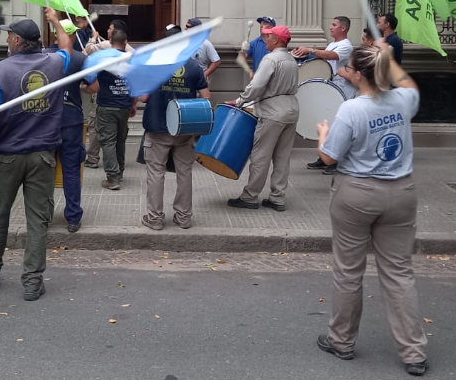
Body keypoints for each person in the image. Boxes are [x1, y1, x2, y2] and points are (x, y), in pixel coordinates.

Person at [314, 40, 428, 377]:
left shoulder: (352, 109)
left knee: (349, 271)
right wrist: (389, 58)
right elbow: (409, 85)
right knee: (399, 273)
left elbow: (329, 157)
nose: (344, 71)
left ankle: (342, 340)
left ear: (360, 74)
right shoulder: (402, 100)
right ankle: (413, 352)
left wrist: (322, 134)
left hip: (358, 193)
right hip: (401, 191)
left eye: (348, 68)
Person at [0, 9, 72, 301]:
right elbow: (67, 46)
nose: (7, 39)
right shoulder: (55, 62)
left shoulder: (2, 69)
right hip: (42, 154)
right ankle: (32, 281)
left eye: (8, 35)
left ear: (17, 40)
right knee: (37, 220)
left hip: (7, 155)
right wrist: (55, 20)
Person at [140, 25, 210, 230]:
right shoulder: (195, 67)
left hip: (156, 126)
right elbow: (206, 97)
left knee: (155, 172)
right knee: (184, 172)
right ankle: (184, 217)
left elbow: (143, 96)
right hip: (183, 128)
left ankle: (154, 218)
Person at [226, 25, 299, 211]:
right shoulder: (291, 59)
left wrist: (241, 100)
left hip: (272, 111)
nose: (265, 39)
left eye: (268, 36)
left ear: (277, 40)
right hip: (291, 109)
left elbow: (257, 85)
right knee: (282, 157)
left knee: (261, 156)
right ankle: (277, 198)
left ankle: (250, 197)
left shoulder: (271, 59)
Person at [296, 16, 355, 170]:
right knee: (326, 124)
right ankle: (324, 157)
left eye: (334, 25)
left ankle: (335, 160)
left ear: (343, 28)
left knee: (336, 126)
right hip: (328, 88)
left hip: (339, 90)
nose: (330, 27)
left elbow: (332, 56)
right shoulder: (332, 44)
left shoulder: (346, 45)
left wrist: (311, 50)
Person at [86, 28, 136, 190]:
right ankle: (119, 172)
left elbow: (93, 84)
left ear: (110, 42)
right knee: (120, 140)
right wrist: (133, 105)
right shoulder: (131, 60)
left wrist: (85, 89)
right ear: (125, 42)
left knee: (108, 141)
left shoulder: (103, 60)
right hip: (124, 105)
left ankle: (112, 178)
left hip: (106, 104)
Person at [50, 19, 89, 232]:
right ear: (72, 35)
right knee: (71, 170)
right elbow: (94, 87)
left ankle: (44, 214)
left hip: (47, 120)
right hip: (71, 118)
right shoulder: (80, 58)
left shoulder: (45, 55)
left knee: (45, 169)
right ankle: (73, 217)